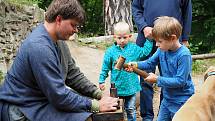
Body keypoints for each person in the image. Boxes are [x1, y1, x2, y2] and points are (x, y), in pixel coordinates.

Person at [0, 0, 118, 121]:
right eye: (73, 25)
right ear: (59, 19)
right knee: (86, 117)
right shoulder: (39, 47)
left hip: (41, 101)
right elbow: (59, 95)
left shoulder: (58, 41)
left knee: (85, 109)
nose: (76, 30)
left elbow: (73, 75)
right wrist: (97, 106)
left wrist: (98, 94)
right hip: (22, 110)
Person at [131, 0, 192, 120]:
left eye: (159, 42)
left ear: (173, 38)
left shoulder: (184, 55)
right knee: (145, 85)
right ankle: (147, 117)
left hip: (181, 101)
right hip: (167, 101)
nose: (156, 45)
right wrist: (135, 64)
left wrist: (157, 79)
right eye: (156, 41)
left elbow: (180, 81)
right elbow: (149, 63)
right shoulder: (161, 49)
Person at [99, 22, 153, 121]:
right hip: (116, 87)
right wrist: (101, 80)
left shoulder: (133, 49)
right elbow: (105, 67)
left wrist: (149, 40)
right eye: (119, 38)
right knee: (116, 110)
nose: (122, 40)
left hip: (130, 86)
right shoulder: (110, 52)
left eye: (125, 37)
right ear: (114, 37)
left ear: (129, 36)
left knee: (131, 109)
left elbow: (144, 52)